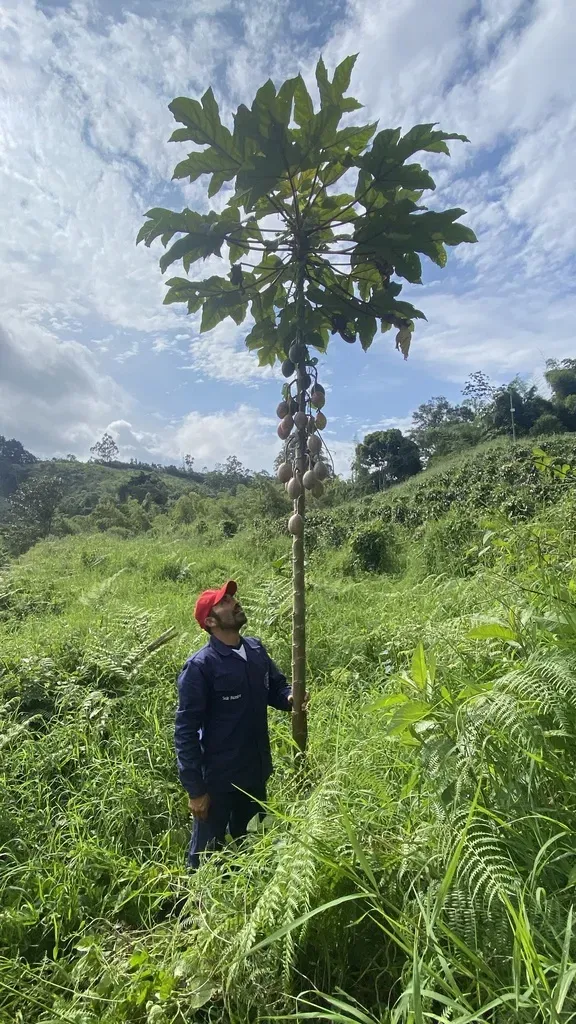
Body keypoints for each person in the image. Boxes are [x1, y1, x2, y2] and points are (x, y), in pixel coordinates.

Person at [175, 580, 296, 869]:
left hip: (255, 773)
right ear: (210, 621)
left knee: (254, 846)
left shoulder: (255, 650)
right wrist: (195, 790)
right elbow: (185, 732)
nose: (234, 602)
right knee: (205, 859)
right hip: (217, 782)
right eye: (224, 602)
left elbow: (275, 688)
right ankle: (196, 909)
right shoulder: (201, 667)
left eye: (232, 597)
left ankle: (244, 904)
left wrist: (291, 696)